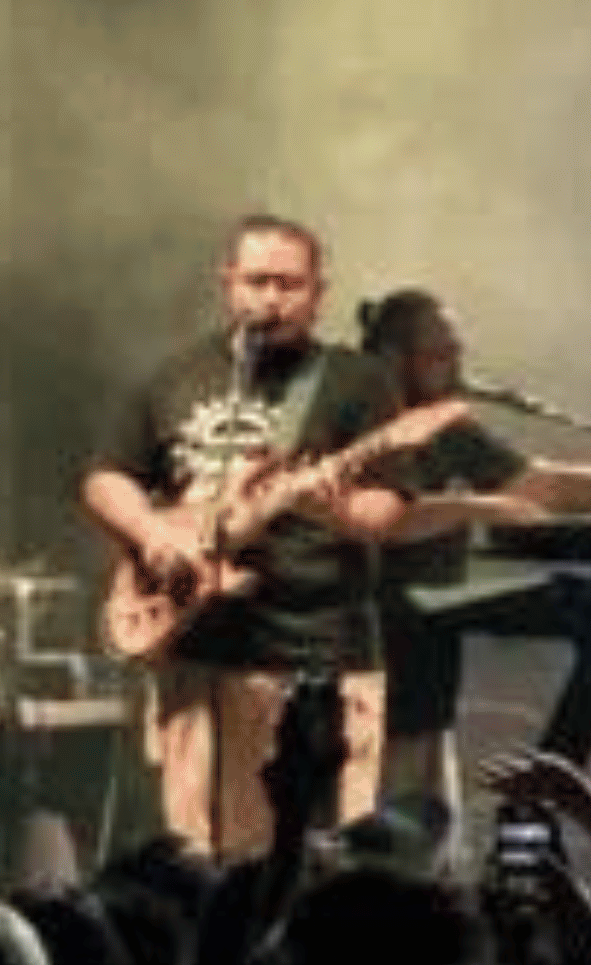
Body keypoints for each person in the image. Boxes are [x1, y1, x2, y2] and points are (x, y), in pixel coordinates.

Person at [79, 213, 415, 858]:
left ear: (320, 293)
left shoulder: (357, 383)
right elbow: (106, 478)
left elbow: (389, 509)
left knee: (329, 863)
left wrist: (331, 511)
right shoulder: (174, 377)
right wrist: (153, 536)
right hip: (200, 648)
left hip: (323, 654)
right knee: (205, 860)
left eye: (291, 285)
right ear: (228, 284)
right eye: (258, 282)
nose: (272, 299)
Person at [350, 286, 591, 840]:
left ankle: (550, 783)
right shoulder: (345, 417)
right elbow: (382, 523)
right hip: (366, 671)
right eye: (442, 355)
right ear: (393, 359)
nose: (458, 368)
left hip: (425, 671)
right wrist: (475, 509)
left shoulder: (442, 426)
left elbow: (539, 486)